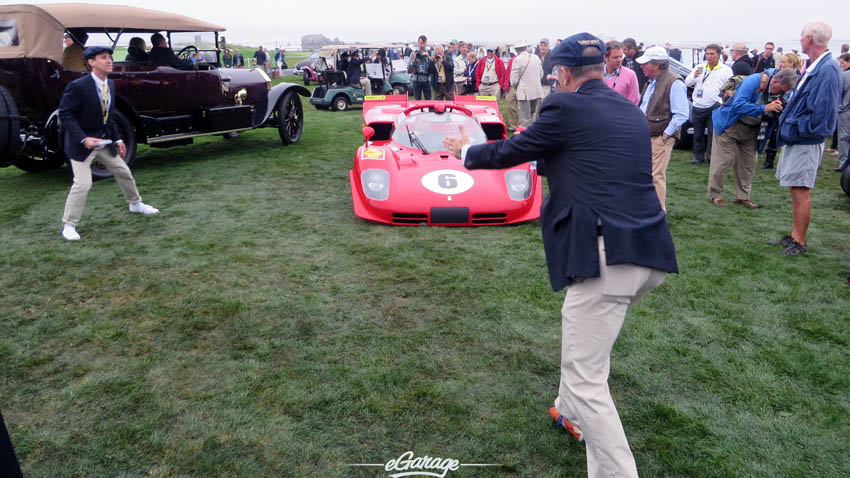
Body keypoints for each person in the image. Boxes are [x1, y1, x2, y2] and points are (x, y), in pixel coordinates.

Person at [442, 32, 677, 478]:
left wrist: (466, 151)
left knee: (589, 376)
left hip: (608, 256)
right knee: (588, 342)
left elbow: (517, 150)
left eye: (556, 77)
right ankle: (568, 412)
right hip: (648, 250)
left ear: (564, 75)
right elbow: (565, 158)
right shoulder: (627, 109)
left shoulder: (563, 106)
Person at [58, 46, 160, 241]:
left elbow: (108, 116)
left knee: (124, 172)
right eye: (103, 58)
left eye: (110, 57)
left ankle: (135, 204)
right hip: (81, 146)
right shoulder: (78, 86)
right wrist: (84, 138)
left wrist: (118, 139)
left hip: (104, 142)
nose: (109, 61)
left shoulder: (110, 85)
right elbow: (65, 115)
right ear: (91, 62)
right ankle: (69, 226)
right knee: (83, 184)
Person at [770, 21, 841, 256]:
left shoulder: (827, 69)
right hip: (800, 138)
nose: (800, 40)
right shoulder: (817, 66)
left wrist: (794, 127)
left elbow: (823, 115)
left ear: (809, 39)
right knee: (795, 189)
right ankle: (794, 234)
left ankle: (799, 241)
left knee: (801, 190)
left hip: (806, 140)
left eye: (802, 36)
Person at [708, 68, 797, 208]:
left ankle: (743, 197)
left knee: (748, 164)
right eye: (780, 90)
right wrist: (764, 108)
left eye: (784, 92)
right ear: (774, 81)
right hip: (730, 125)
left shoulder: (783, 90)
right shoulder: (754, 81)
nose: (781, 94)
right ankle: (716, 195)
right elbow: (738, 106)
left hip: (752, 130)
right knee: (722, 163)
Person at [637, 46, 688, 211]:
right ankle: (647, 209)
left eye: (645, 63)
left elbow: (681, 114)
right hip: (648, 135)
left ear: (656, 65)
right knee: (647, 175)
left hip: (659, 137)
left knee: (656, 176)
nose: (642, 67)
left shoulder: (674, 82)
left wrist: (665, 135)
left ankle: (657, 212)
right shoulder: (652, 82)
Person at [684, 43, 733, 164]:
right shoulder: (700, 67)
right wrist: (694, 76)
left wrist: (723, 101)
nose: (709, 56)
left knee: (713, 134)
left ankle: (712, 157)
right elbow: (687, 83)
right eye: (707, 54)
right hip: (698, 105)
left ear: (718, 55)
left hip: (714, 105)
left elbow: (730, 87)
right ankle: (698, 156)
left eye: (712, 54)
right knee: (698, 133)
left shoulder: (725, 70)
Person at [511, 41, 544, 127]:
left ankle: (526, 137)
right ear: (526, 48)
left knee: (524, 117)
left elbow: (514, 80)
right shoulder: (536, 57)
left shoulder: (517, 60)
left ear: (516, 50)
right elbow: (541, 74)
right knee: (533, 115)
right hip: (536, 91)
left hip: (524, 92)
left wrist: (515, 86)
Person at [602, 41, 639, 105]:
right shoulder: (597, 74)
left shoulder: (630, 75)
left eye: (621, 56)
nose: (619, 60)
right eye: (615, 57)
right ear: (605, 58)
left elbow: (634, 102)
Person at [835, 53, 850, 172]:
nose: (841, 65)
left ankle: (844, 162)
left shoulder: (844, 76)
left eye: (843, 63)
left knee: (844, 137)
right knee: (844, 137)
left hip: (844, 111)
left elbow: (838, 93)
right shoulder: (844, 75)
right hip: (845, 110)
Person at [409, 35, 435, 100]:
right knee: (417, 101)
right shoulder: (413, 53)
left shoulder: (430, 53)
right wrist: (414, 60)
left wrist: (428, 57)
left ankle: (429, 110)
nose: (422, 45)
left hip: (427, 79)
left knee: (428, 100)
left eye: (424, 43)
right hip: (416, 79)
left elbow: (434, 66)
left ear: (426, 43)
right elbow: (409, 68)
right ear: (418, 43)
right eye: (421, 43)